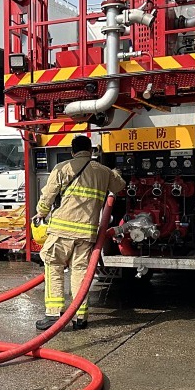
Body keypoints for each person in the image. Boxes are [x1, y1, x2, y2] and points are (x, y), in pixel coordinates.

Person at [32, 135, 126, 330]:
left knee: (53, 265)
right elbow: (120, 186)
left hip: (62, 230)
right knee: (80, 273)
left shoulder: (63, 168)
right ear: (91, 151)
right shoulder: (103, 172)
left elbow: (48, 195)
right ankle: (80, 318)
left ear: (73, 152)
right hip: (87, 233)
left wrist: (40, 213)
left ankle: (53, 315)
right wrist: (115, 172)